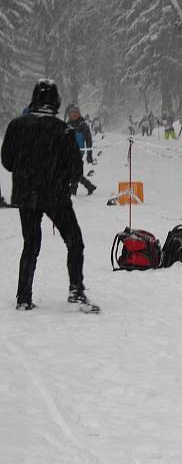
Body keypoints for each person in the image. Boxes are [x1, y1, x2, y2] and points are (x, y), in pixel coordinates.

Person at [0, 80, 99, 313]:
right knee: (74, 241)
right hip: (56, 195)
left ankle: (24, 296)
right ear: (55, 101)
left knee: (31, 244)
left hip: (26, 194)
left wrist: (26, 171)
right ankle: (76, 289)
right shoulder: (63, 130)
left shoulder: (17, 125)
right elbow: (76, 169)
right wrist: (59, 177)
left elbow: (7, 160)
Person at [66, 105, 97, 196]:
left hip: (79, 150)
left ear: (79, 114)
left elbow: (88, 139)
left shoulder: (82, 125)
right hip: (68, 151)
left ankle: (73, 189)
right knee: (74, 171)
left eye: (75, 113)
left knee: (73, 169)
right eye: (72, 113)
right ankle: (89, 186)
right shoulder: (68, 125)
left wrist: (89, 154)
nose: (74, 115)